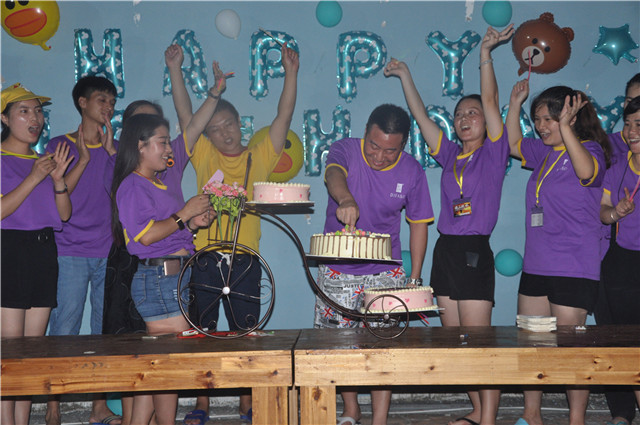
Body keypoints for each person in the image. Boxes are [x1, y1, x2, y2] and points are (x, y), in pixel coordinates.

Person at [384, 25, 513, 425]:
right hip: (447, 251)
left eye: (471, 113)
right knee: (456, 342)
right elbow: (421, 118)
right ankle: (478, 410)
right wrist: (405, 75)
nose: (464, 118)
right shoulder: (451, 155)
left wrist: (486, 54)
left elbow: (490, 99)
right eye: (459, 115)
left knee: (478, 343)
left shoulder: (494, 153)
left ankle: (488, 419)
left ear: (486, 121)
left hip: (474, 250)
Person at [165, 41, 299, 423]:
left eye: (229, 125)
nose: (223, 133)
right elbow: (186, 115)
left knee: (246, 334)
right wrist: (175, 70)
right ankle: (202, 404)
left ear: (241, 124)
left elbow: (284, 115)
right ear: (207, 135)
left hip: (245, 260)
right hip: (206, 258)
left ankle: (246, 402)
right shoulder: (205, 155)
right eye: (214, 128)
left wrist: (291, 73)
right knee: (202, 332)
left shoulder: (260, 155)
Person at [314, 104, 434, 425]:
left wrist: (415, 278)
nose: (380, 156)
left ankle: (380, 419)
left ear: (404, 145)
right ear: (365, 132)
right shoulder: (345, 149)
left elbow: (419, 224)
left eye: (390, 151)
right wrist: (345, 199)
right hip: (337, 270)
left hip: (386, 271)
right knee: (339, 346)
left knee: (384, 348)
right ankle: (351, 409)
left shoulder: (412, 171)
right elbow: (334, 174)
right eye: (374, 146)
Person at [506, 82, 611, 425]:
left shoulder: (591, 149)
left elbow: (586, 173)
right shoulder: (543, 153)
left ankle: (576, 419)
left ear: (571, 117)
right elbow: (513, 143)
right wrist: (514, 103)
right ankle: (531, 415)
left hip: (573, 266)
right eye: (537, 120)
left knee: (570, 351)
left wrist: (565, 128)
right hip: (536, 264)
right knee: (531, 345)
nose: (541, 126)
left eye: (548, 119)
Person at [110, 109, 215, 425]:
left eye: (169, 142)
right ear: (140, 146)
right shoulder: (132, 185)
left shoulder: (157, 183)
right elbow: (145, 236)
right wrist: (184, 214)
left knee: (159, 364)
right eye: (162, 142)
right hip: (158, 278)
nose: (169, 149)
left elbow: (168, 231)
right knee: (169, 364)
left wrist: (193, 223)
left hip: (172, 276)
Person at [44, 76, 121, 425]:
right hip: (69, 249)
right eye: (102, 100)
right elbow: (55, 196)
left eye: (112, 102)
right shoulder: (59, 145)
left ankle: (98, 406)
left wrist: (111, 154)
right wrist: (85, 159)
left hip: (108, 251)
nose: (108, 107)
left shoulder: (115, 149)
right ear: (82, 103)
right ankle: (53, 406)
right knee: (64, 328)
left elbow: (125, 195)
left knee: (104, 329)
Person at [1, 83, 72, 425]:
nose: (35, 119)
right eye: (24, 111)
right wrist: (33, 178)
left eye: (39, 111)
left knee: (32, 351)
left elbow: (64, 215)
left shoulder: (43, 162)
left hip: (43, 251)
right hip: (9, 250)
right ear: (4, 119)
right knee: (9, 351)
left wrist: (58, 180)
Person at [594, 73, 640, 425]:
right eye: (628, 123)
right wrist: (616, 213)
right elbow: (604, 212)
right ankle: (622, 413)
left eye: (638, 124)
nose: (632, 131)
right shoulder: (617, 165)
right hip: (622, 261)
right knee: (622, 339)